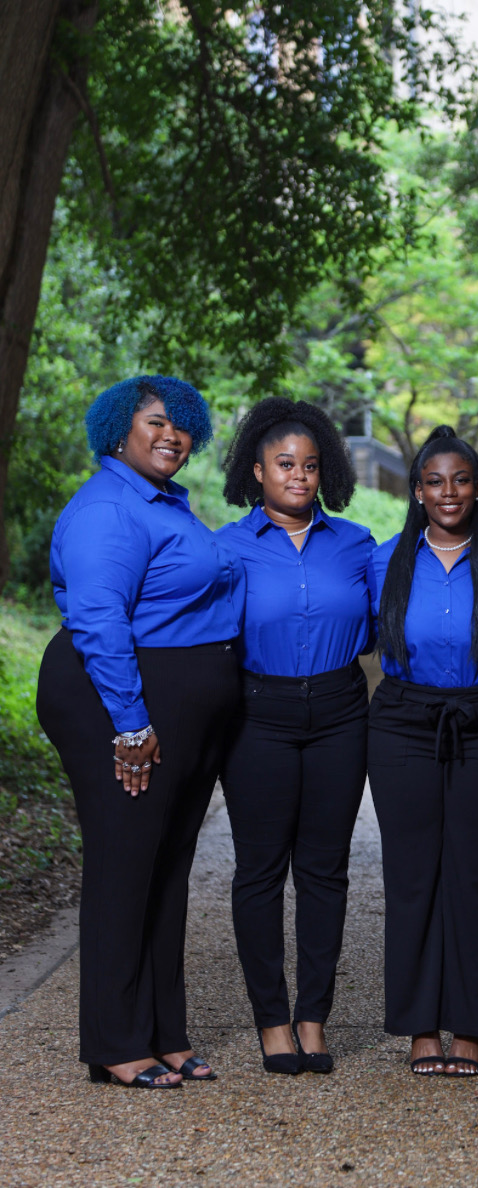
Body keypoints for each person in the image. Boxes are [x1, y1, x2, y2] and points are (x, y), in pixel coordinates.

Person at [36, 376, 244, 1088]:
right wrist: (130, 724)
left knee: (166, 869)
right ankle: (117, 1042)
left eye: (184, 427)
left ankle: (164, 1030)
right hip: (117, 702)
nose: (172, 436)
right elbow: (98, 617)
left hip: (173, 704)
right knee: (126, 867)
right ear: (118, 430)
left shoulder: (165, 505)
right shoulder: (107, 508)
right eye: (157, 422)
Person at [217, 398, 375, 1076]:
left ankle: (314, 1018)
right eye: (285, 464)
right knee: (259, 872)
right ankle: (271, 1021)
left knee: (324, 870)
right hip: (258, 714)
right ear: (258, 470)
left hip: (341, 708)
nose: (299, 476)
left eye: (311, 465)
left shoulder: (358, 544)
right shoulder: (225, 547)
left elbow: (384, 623)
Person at [367, 425, 478, 1077]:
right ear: (417, 491)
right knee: (411, 877)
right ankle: (419, 1028)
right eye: (434, 481)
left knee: (475, 877)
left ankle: (472, 1029)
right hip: (404, 722)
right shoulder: (383, 560)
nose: (448, 491)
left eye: (461, 479)